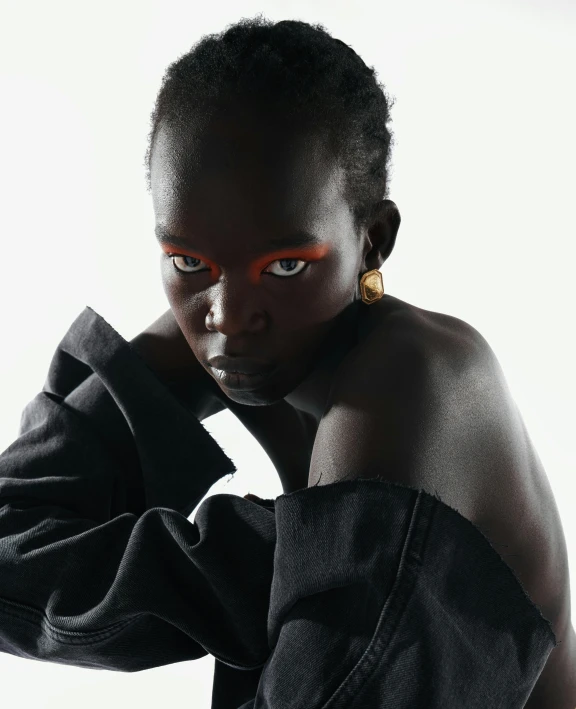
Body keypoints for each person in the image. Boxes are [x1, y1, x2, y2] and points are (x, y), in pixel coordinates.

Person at [0, 15, 574, 709]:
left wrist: (281, 564)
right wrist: (278, 563)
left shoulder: (409, 383)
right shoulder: (243, 335)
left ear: (373, 241)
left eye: (287, 264)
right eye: (188, 260)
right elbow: (10, 536)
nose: (228, 313)